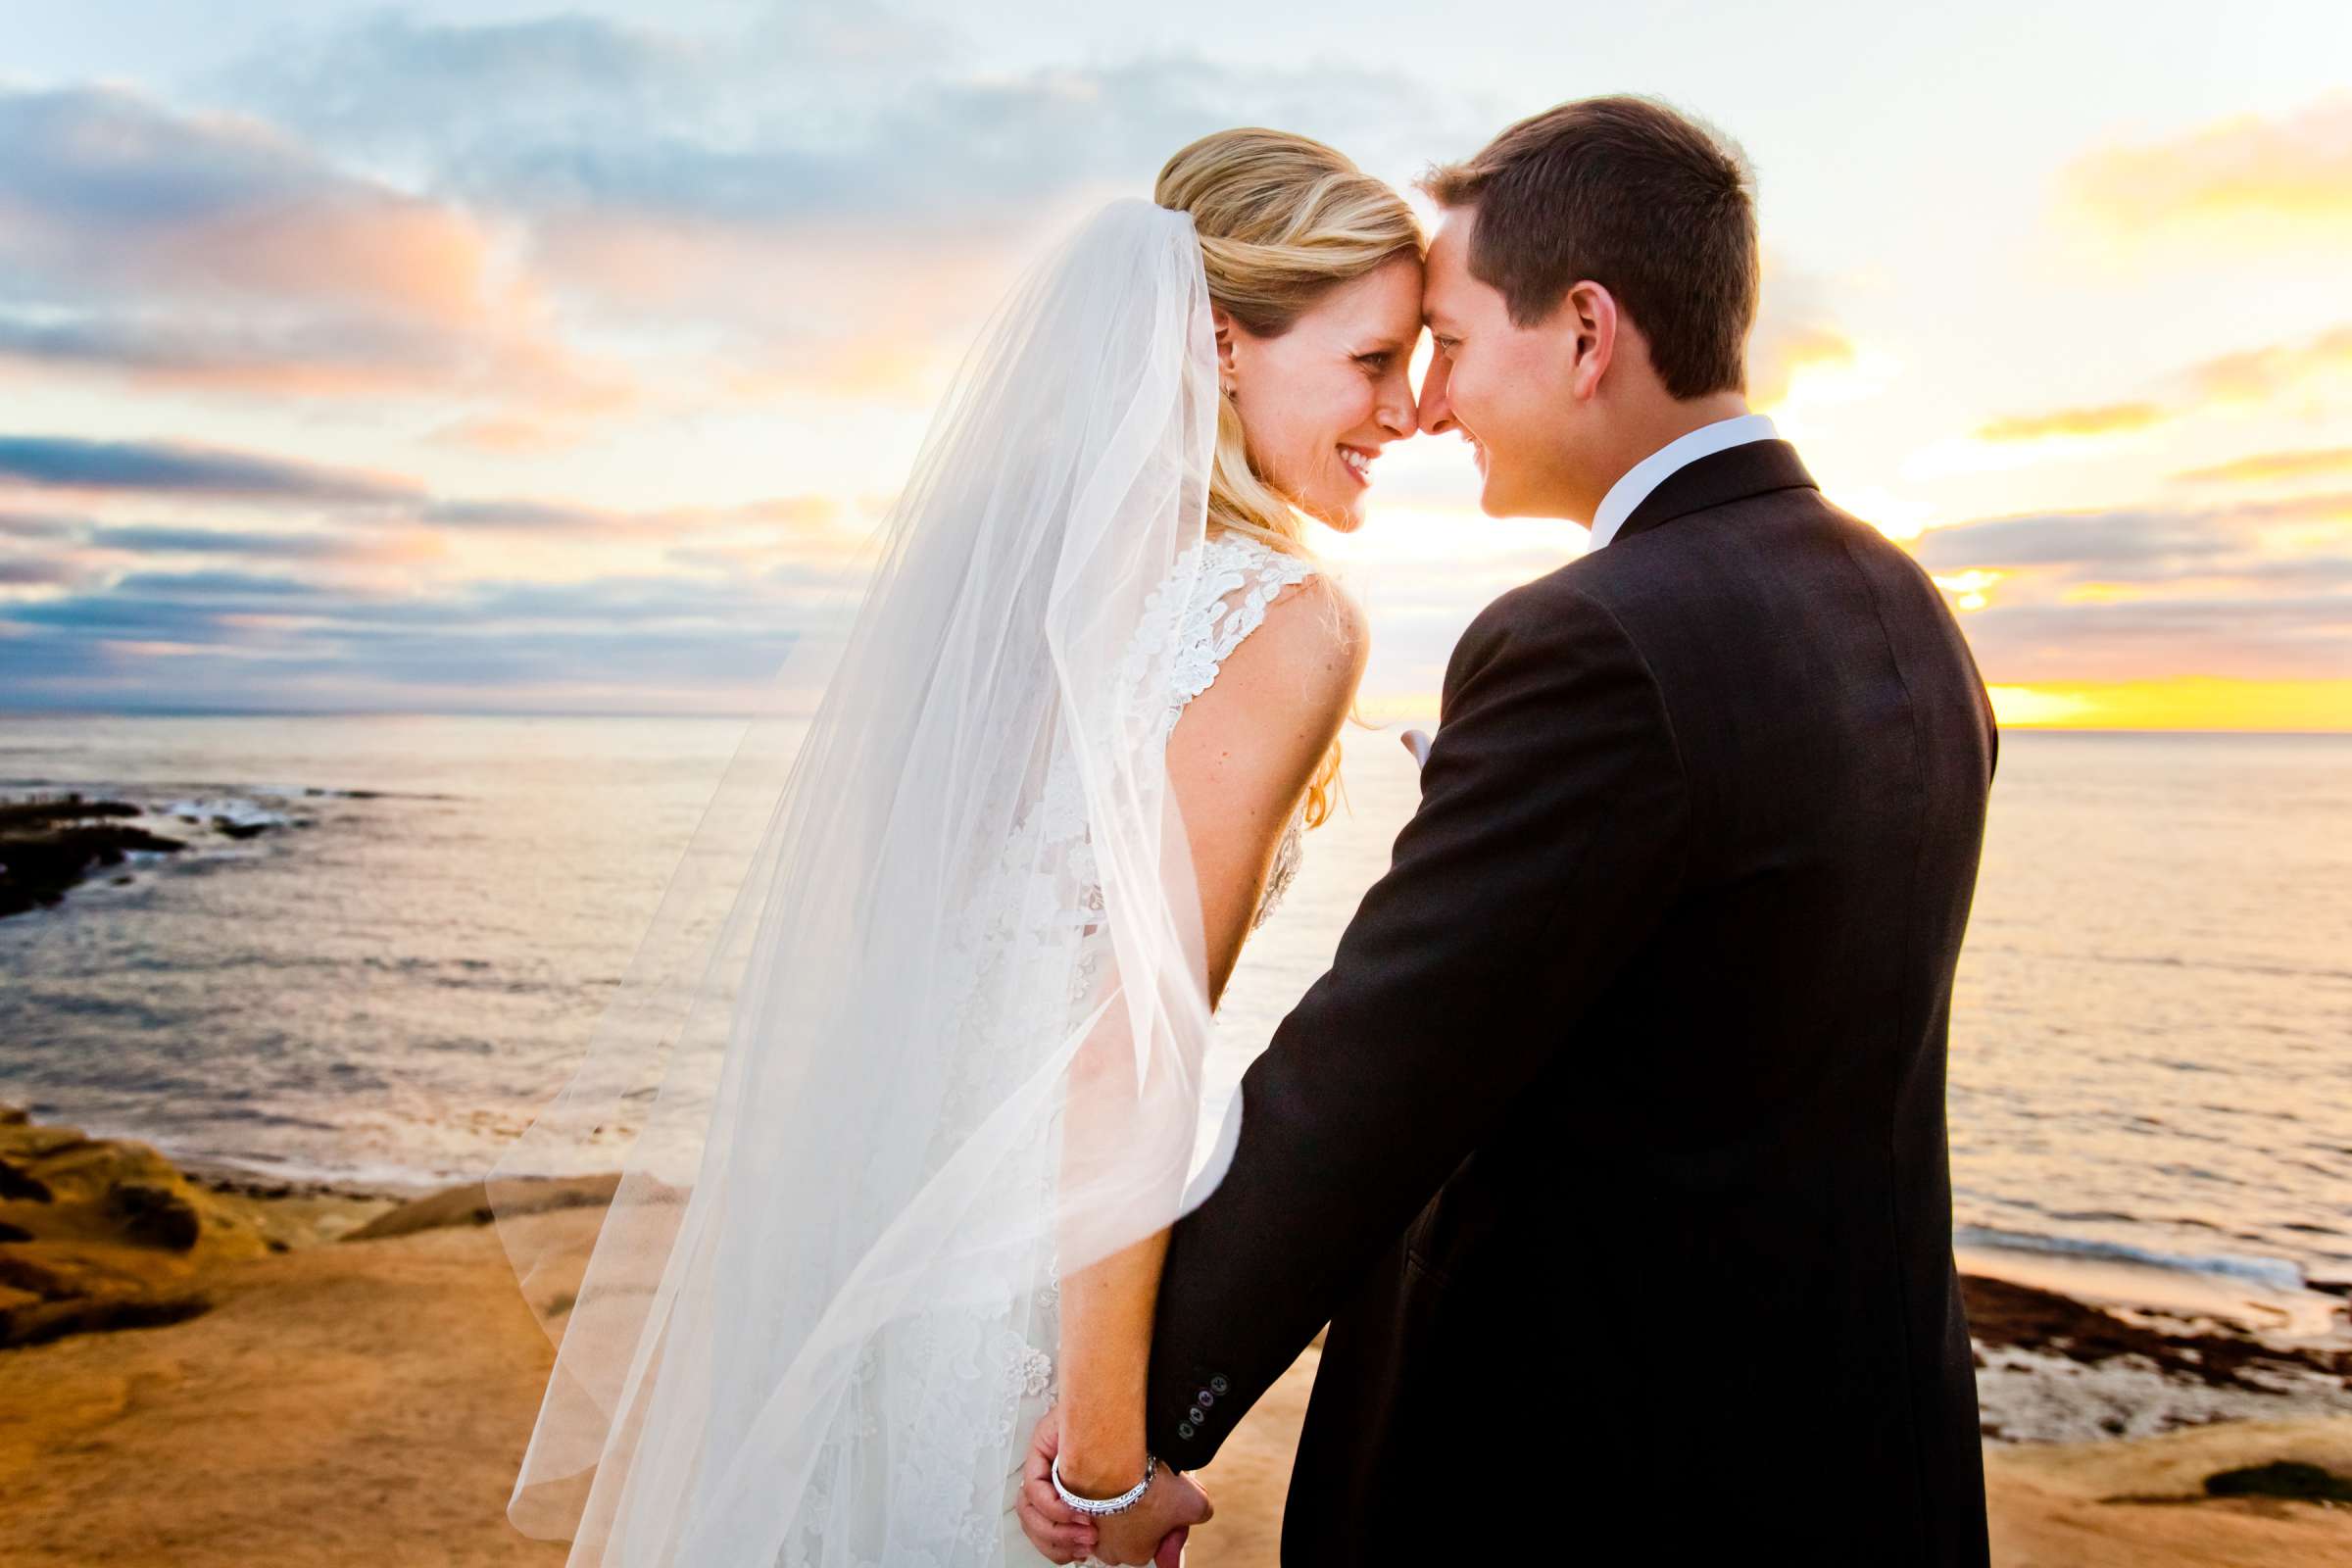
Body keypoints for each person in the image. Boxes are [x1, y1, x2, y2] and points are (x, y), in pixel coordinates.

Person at [1020, 93, 2000, 1566]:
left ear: (1587, 332)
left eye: (1455, 344)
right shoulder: (1906, 608)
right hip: (1871, 1470)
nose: (1429, 402)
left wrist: (1129, 1428)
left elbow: (1372, 1076)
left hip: (1589, 1481)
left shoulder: (1601, 641)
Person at [486, 127, 1422, 1566]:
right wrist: (1107, 1463)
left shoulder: (994, 580)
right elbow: (1128, 1060)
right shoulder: (1282, 621)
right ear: (1225, 342)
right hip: (1020, 1304)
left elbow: (895, 942)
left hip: (871, 1245)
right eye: (1372, 360)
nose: (1407, 408)